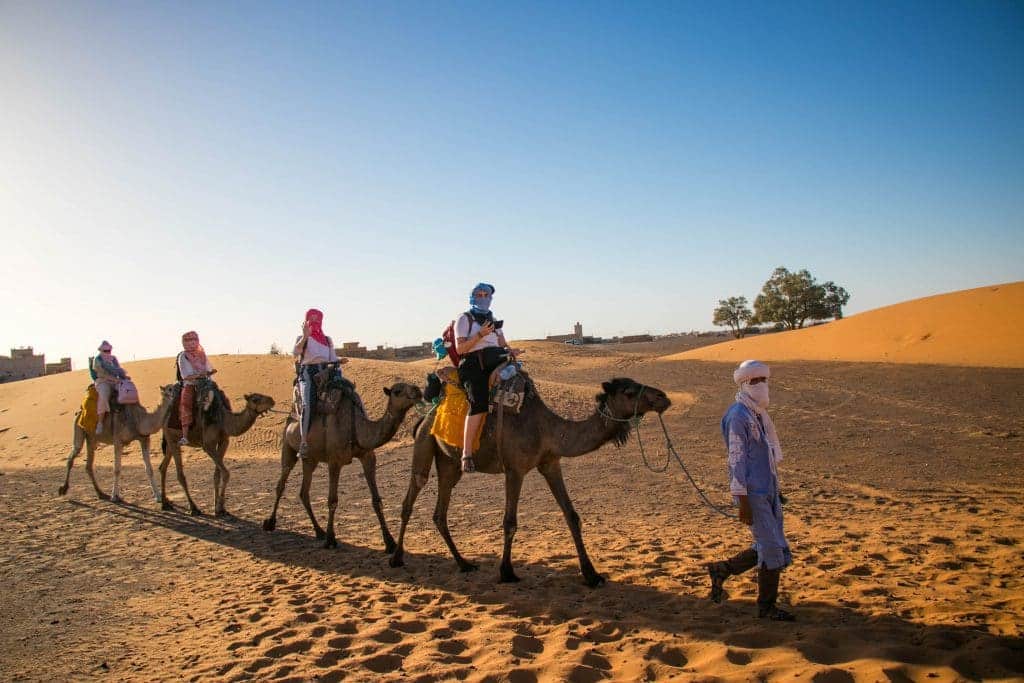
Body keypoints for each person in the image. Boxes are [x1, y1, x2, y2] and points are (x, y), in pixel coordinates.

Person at [706, 360, 795, 621]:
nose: (760, 385)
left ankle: (722, 569)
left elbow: (764, 456)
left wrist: (775, 491)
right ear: (744, 384)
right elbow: (737, 461)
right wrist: (743, 501)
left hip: (767, 489)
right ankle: (766, 608)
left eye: (763, 380)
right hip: (752, 493)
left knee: (772, 544)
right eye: (754, 381)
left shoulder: (758, 415)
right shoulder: (738, 416)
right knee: (770, 548)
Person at [453, 283, 525, 473]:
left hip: (495, 360)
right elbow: (460, 349)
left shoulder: (491, 318)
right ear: (472, 297)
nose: (483, 297)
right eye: (479, 294)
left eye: (487, 294)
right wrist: (479, 334)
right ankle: (466, 453)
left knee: (522, 384)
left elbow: (501, 342)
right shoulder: (464, 319)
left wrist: (511, 350)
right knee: (479, 404)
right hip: (473, 365)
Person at [293, 308, 348, 457]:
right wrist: (305, 336)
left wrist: (339, 360)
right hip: (308, 373)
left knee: (349, 392)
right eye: (312, 319)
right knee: (308, 404)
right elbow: (296, 352)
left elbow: (332, 358)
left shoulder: (327, 339)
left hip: (327, 372)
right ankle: (304, 443)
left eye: (318, 320)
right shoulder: (302, 338)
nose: (316, 322)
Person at [177, 331, 217, 445]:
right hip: (191, 384)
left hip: (205, 383)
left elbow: (208, 368)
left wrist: (210, 372)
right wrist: (198, 375)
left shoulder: (202, 355)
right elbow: (185, 375)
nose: (191, 344)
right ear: (184, 343)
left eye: (194, 341)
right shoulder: (183, 356)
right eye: (188, 342)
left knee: (220, 397)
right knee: (186, 404)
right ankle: (185, 435)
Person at [92, 340, 129, 434]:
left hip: (115, 381)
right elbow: (101, 374)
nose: (107, 352)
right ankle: (100, 423)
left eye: (109, 350)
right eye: (105, 351)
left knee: (128, 390)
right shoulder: (98, 360)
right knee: (104, 396)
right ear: (101, 350)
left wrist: (124, 377)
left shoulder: (113, 359)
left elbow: (118, 370)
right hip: (103, 381)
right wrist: (114, 379)